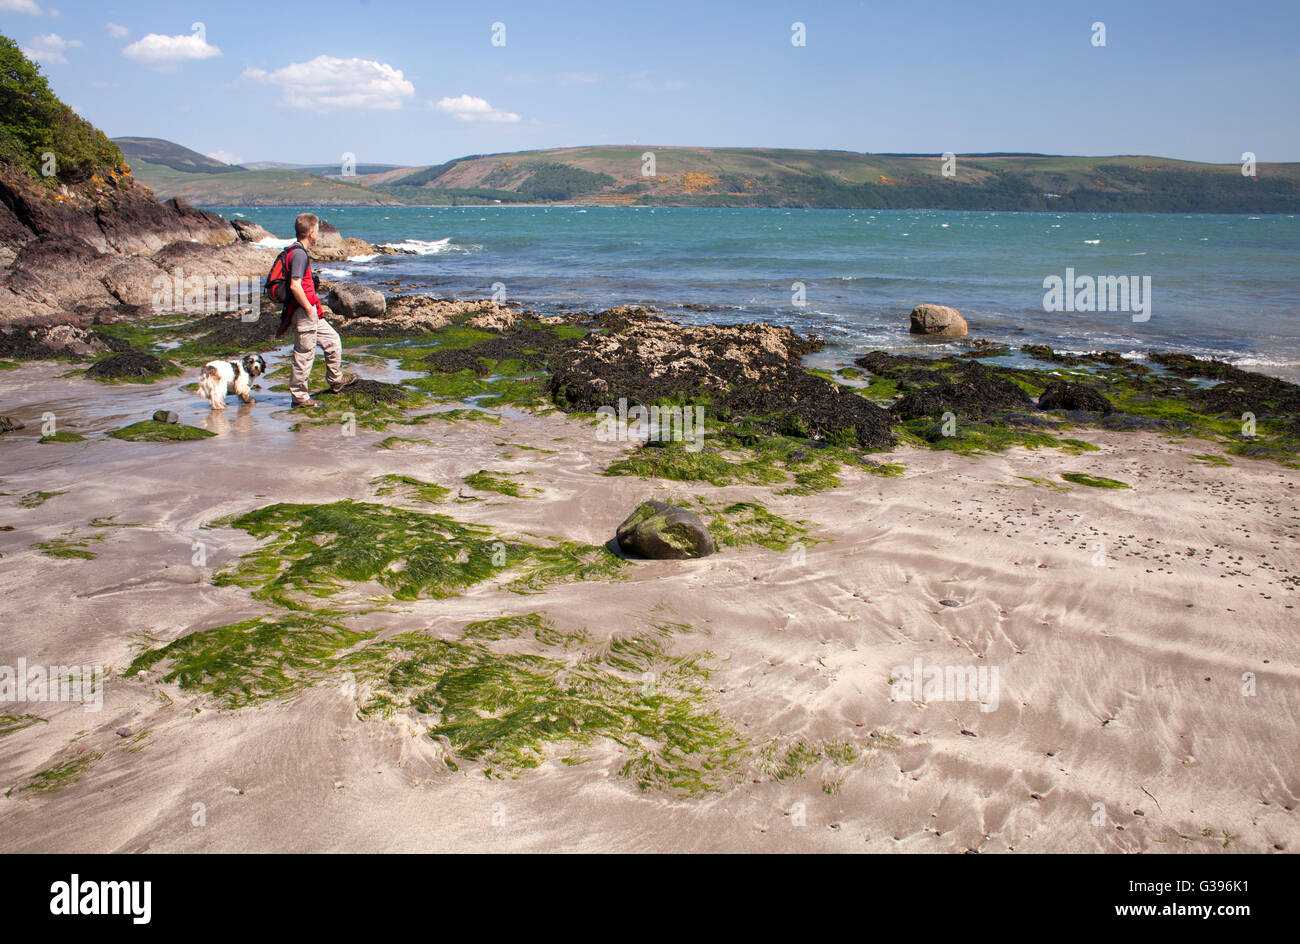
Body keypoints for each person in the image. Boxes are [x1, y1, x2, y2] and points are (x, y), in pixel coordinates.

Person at [287, 212, 354, 407]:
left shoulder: (298, 251)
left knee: (333, 341)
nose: (318, 234)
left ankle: (336, 380)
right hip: (305, 312)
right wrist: (308, 308)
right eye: (317, 230)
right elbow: (294, 285)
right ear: (310, 232)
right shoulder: (298, 253)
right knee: (304, 355)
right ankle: (299, 397)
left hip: (312, 311)